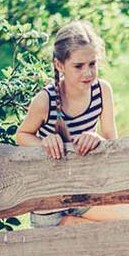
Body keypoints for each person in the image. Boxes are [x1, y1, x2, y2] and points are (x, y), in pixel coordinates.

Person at [15, 21, 118, 227]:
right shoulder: (46, 100)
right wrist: (44, 142)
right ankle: (68, 223)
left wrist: (97, 140)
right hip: (50, 198)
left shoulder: (102, 91)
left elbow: (111, 139)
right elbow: (22, 135)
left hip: (87, 188)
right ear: (59, 65)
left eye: (92, 64)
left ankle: (72, 223)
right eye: (78, 66)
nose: (88, 73)